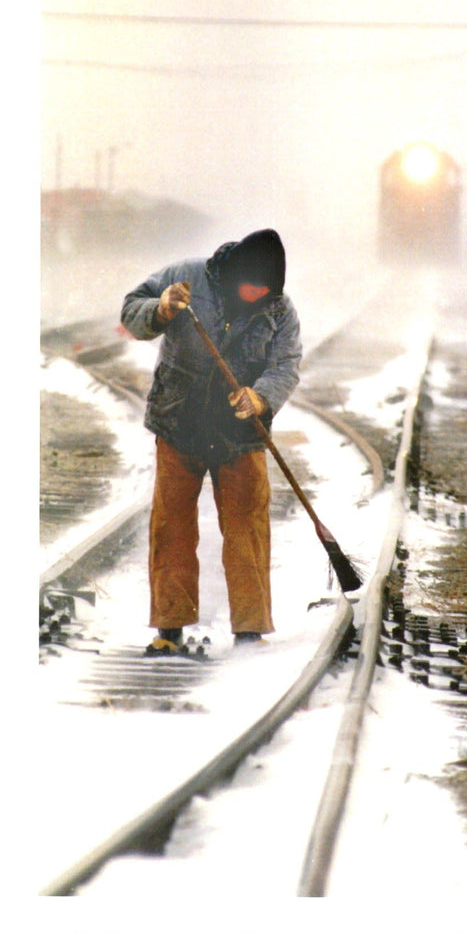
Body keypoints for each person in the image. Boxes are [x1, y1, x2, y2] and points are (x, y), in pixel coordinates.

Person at [121, 228, 302, 653]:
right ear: (233, 274)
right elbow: (132, 310)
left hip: (240, 433)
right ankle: (169, 627)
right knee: (172, 527)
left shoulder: (280, 309)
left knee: (247, 527)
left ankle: (250, 629)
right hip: (178, 421)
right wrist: (161, 309)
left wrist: (261, 397)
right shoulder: (186, 276)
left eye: (265, 291)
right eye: (251, 288)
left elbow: (286, 363)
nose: (257, 296)